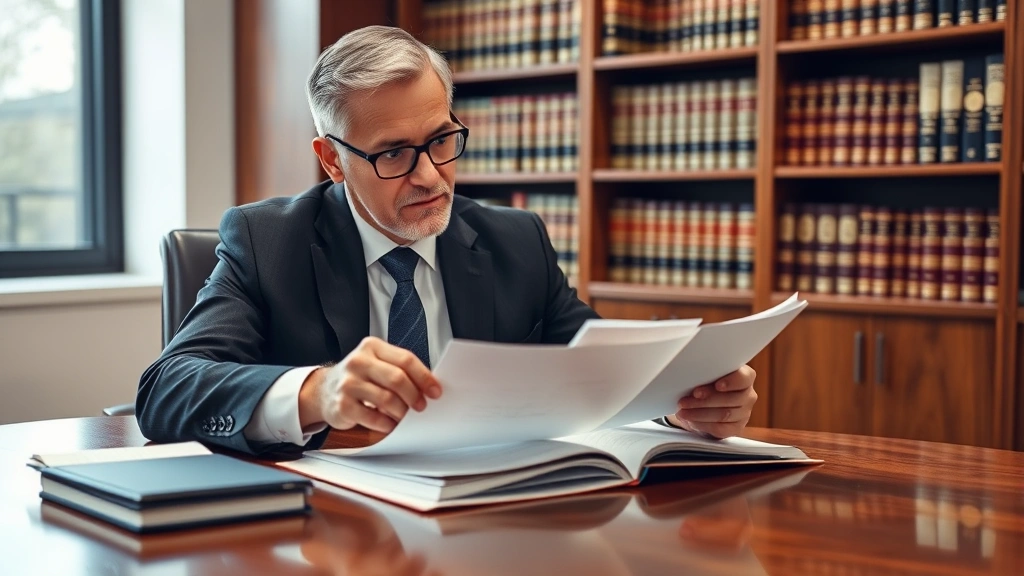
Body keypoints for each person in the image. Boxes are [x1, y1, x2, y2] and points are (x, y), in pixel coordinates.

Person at [136, 26, 757, 457]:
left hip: (488, 528)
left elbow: (596, 369)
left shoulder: (516, 240)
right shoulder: (267, 241)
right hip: (327, 538)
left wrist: (682, 402)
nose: (431, 175)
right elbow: (166, 390)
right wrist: (315, 392)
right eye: (394, 154)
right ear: (330, 160)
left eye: (441, 139)